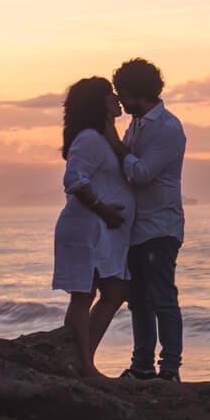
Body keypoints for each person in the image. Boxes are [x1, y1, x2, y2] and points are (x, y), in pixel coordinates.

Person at [52, 76, 134, 378]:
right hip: (84, 227)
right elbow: (73, 179)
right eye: (111, 95)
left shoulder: (105, 138)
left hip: (100, 230)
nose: (117, 99)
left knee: (115, 291)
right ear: (99, 102)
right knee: (83, 295)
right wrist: (103, 209)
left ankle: (81, 360)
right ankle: (83, 366)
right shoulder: (88, 138)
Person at [111, 58, 187, 382]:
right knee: (138, 301)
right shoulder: (138, 123)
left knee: (162, 299)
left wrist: (114, 145)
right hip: (137, 228)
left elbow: (141, 174)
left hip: (160, 227)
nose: (120, 101)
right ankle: (142, 365)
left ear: (138, 93)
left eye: (123, 94)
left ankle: (170, 369)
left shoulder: (167, 129)